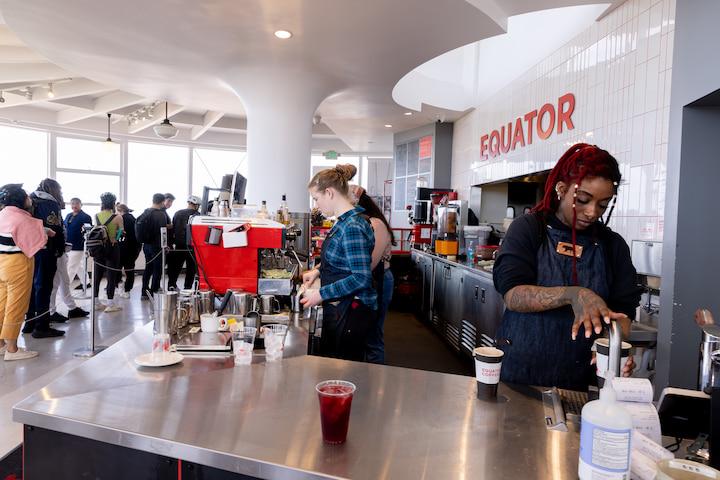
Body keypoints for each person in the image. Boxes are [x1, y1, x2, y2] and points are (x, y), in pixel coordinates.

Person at [492, 143, 642, 390]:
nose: (592, 212)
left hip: (581, 380)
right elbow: (512, 295)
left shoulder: (612, 246)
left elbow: (623, 316)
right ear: (561, 189)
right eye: (582, 200)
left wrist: (614, 349)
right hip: (520, 372)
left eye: (603, 204)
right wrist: (574, 294)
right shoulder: (529, 229)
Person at [301, 165, 377, 361]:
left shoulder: (352, 226)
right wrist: (317, 271)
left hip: (352, 311)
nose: (316, 205)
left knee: (345, 371)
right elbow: (341, 258)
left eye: (316, 199)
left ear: (329, 192)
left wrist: (320, 294)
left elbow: (361, 278)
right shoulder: (343, 221)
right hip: (340, 306)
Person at [0, 184, 48, 360]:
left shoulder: (2, 214)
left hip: (1, 262)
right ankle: (12, 349)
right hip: (17, 264)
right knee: (16, 304)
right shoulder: (22, 218)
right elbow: (38, 242)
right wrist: (46, 233)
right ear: (19, 199)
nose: (29, 198)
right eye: (26, 196)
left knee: (1, 303)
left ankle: (1, 344)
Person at [351, 185, 394, 364]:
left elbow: (370, 264)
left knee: (373, 335)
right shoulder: (362, 222)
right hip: (371, 281)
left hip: (380, 281)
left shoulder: (375, 224)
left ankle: (376, 380)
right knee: (365, 333)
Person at [23, 178, 66, 338]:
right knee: (44, 286)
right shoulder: (49, 203)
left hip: (31, 250)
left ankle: (30, 322)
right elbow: (55, 228)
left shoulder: (30, 200)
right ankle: (42, 325)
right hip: (47, 249)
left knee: (33, 287)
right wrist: (60, 248)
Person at [93, 192, 124, 312]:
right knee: (112, 275)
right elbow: (121, 232)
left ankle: (96, 302)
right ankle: (110, 303)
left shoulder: (96, 215)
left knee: (97, 275)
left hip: (99, 249)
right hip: (112, 247)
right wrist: (115, 237)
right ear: (113, 203)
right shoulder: (118, 217)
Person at [139, 193, 171, 299]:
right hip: (157, 246)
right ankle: (154, 291)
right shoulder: (160, 214)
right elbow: (163, 232)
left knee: (148, 268)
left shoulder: (146, 211)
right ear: (162, 202)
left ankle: (144, 292)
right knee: (157, 270)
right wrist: (165, 245)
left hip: (146, 245)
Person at [167, 195, 200, 291]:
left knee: (176, 267)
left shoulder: (178, 213)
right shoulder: (197, 215)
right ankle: (187, 288)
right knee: (191, 268)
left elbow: (172, 229)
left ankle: (171, 285)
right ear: (196, 205)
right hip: (192, 246)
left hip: (179, 245)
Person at [64, 198, 92, 289]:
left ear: (81, 204)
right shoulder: (68, 215)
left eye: (76, 203)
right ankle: (86, 282)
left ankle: (65, 287)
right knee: (78, 266)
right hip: (68, 245)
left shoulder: (86, 217)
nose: (74, 206)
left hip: (79, 246)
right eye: (72, 204)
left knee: (71, 267)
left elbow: (88, 232)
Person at [116, 203, 140, 299]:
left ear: (120, 210)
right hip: (134, 249)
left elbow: (120, 233)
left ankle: (119, 285)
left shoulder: (121, 219)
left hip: (123, 248)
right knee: (130, 270)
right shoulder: (134, 219)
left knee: (117, 268)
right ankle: (127, 289)